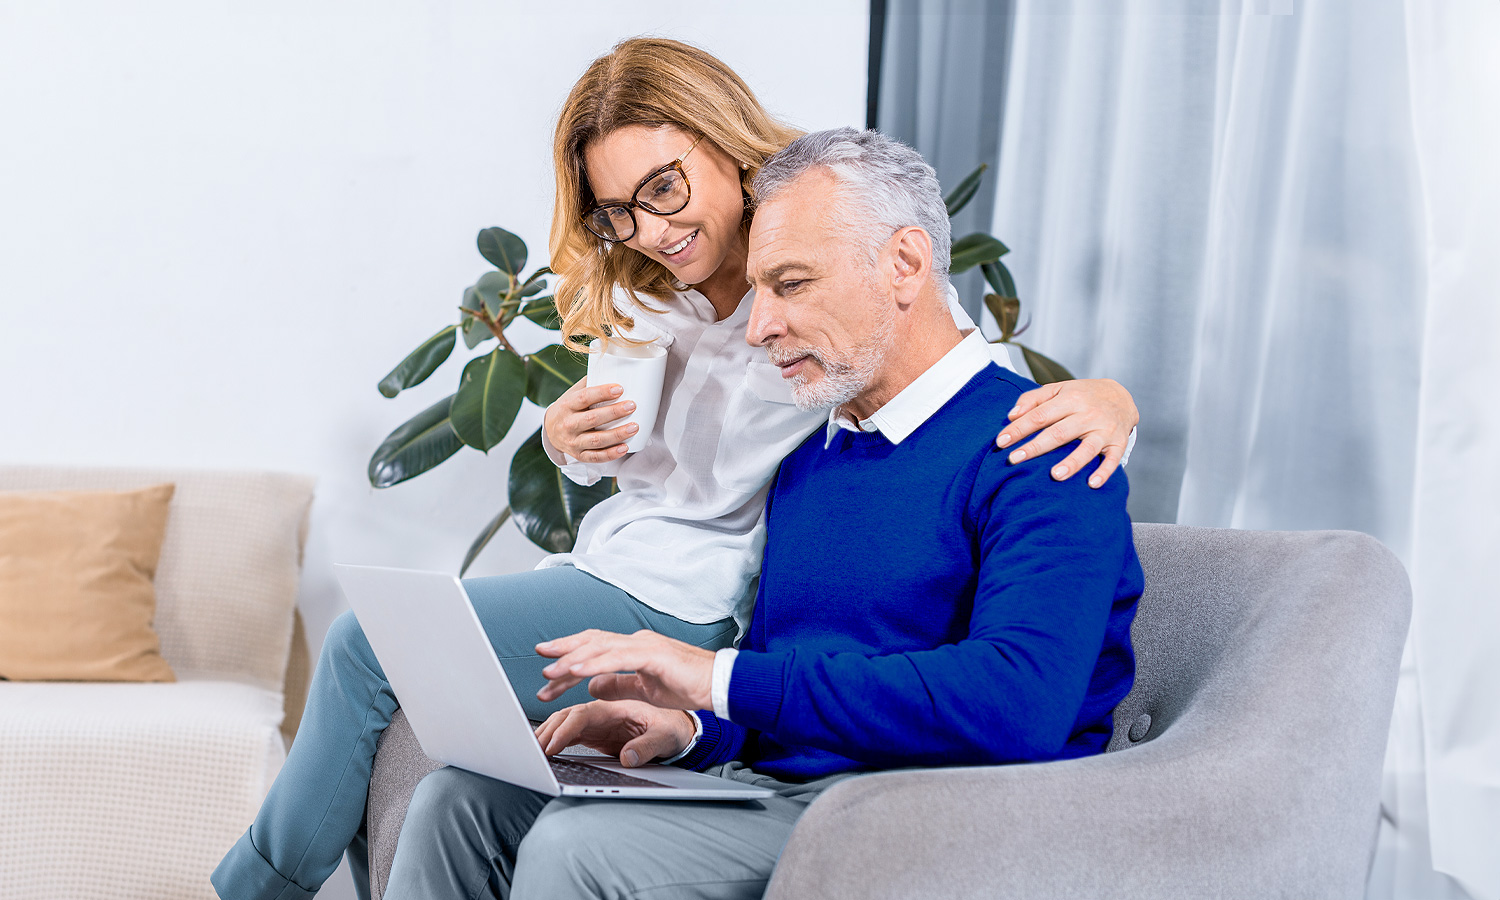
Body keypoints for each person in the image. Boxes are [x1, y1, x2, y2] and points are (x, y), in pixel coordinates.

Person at [212, 38, 1139, 900]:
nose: (761, 327)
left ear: (904, 262)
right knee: (459, 800)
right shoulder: (813, 456)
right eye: (759, 290)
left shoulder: (1042, 447)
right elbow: (789, 668)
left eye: (791, 286)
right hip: (781, 772)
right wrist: (694, 729)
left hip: (903, 807)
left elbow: (1016, 702)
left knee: (571, 844)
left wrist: (713, 683)